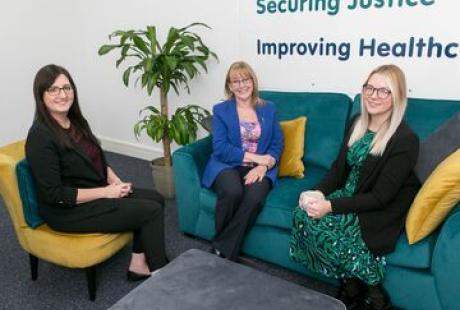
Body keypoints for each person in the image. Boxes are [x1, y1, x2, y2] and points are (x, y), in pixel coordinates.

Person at [289, 64, 420, 310]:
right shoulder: (357, 123)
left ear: (397, 97)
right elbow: (338, 171)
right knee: (302, 213)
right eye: (370, 87)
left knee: (326, 225)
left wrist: (329, 206)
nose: (374, 95)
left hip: (377, 208)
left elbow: (381, 197)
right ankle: (351, 284)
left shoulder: (405, 139)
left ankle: (373, 289)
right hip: (349, 195)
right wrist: (317, 192)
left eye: (384, 91)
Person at [26, 64, 168, 281]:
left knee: (156, 199)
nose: (62, 95)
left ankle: (138, 265)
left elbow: (96, 158)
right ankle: (162, 278)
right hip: (67, 211)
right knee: (150, 211)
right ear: (41, 95)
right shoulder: (40, 136)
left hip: (95, 188)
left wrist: (115, 181)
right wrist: (106, 192)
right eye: (53, 90)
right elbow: (55, 195)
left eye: (67, 87)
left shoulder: (76, 121)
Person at [202, 61, 283, 261]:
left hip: (260, 167)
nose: (241, 85)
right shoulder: (221, 110)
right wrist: (256, 157)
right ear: (230, 86)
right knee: (232, 191)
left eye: (245, 79)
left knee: (254, 197)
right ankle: (226, 251)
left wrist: (264, 166)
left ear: (253, 82)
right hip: (227, 164)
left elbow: (277, 143)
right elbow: (220, 148)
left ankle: (221, 248)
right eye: (235, 81)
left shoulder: (268, 108)